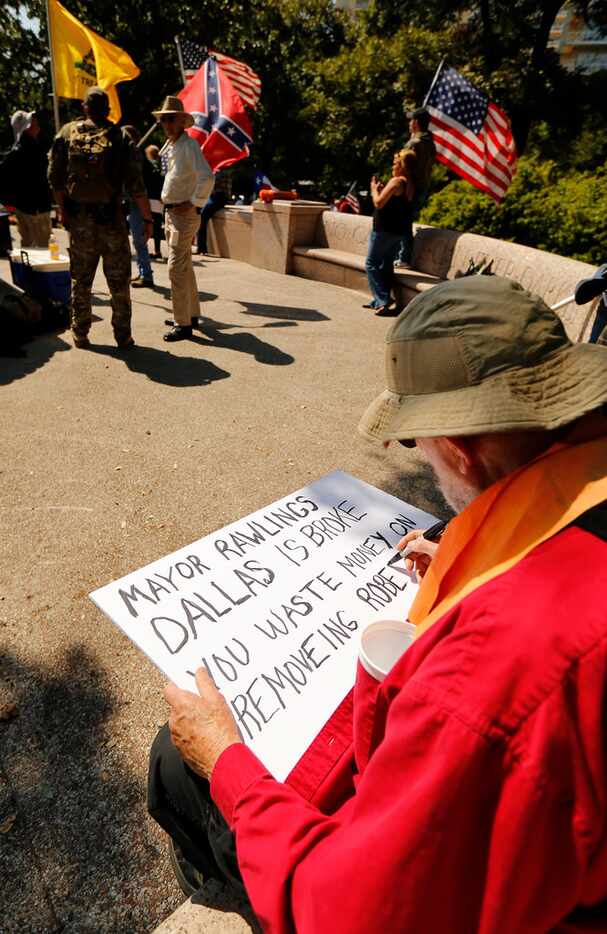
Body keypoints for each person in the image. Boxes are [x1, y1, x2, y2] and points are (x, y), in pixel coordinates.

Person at [148, 275, 607, 932]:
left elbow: (354, 914)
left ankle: (218, 873)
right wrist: (466, 563)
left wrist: (224, 757)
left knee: (177, 758)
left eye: (416, 443)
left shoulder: (497, 666)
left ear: (456, 448)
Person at [48, 87, 153, 349]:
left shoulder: (67, 133)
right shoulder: (119, 136)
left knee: (81, 280)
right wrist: (147, 219)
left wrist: (63, 209)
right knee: (118, 282)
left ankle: (80, 332)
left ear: (85, 107)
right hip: (112, 220)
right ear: (107, 110)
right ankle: (122, 335)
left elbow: (54, 177)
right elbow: (136, 183)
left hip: (80, 220)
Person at [153, 97, 213, 342]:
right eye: (163, 119)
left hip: (183, 214)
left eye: (170, 118)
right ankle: (190, 315)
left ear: (181, 122)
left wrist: (195, 202)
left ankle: (183, 323)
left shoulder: (189, 146)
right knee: (184, 267)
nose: (165, 123)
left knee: (176, 269)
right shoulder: (172, 146)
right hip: (173, 213)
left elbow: (207, 177)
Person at [364, 149, 415, 317]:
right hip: (398, 232)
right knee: (385, 266)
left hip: (383, 230)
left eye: (395, 163)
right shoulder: (410, 183)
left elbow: (378, 203)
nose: (393, 166)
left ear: (402, 166)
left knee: (371, 264)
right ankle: (380, 300)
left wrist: (373, 189)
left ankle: (382, 301)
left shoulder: (396, 182)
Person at [0, 110, 52, 248]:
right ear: (27, 127)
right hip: (37, 209)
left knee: (27, 247)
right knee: (42, 250)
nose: (38, 126)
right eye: (33, 123)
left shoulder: (13, 151)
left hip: (22, 208)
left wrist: (9, 202)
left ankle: (26, 270)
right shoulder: (33, 150)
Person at [394, 106, 436, 269]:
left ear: (416, 122)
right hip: (423, 187)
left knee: (403, 221)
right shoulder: (430, 143)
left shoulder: (414, 143)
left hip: (409, 187)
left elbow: (403, 166)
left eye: (411, 120)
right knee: (407, 219)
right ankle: (402, 256)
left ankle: (403, 257)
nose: (409, 123)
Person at [123, 125, 154, 289]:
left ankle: (146, 275)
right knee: (135, 240)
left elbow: (140, 188)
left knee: (139, 239)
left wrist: (147, 217)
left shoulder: (137, 156)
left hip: (137, 200)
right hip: (127, 200)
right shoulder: (126, 155)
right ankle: (143, 271)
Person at [196, 168, 232, 255]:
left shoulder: (223, 172)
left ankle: (202, 248)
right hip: (212, 197)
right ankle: (200, 247)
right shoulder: (214, 171)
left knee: (202, 216)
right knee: (199, 213)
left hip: (220, 197)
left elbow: (212, 185)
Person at [144, 145, 164, 259]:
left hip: (148, 197)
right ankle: (157, 250)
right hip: (159, 199)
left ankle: (143, 249)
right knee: (157, 226)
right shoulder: (161, 166)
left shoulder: (149, 165)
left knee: (146, 224)